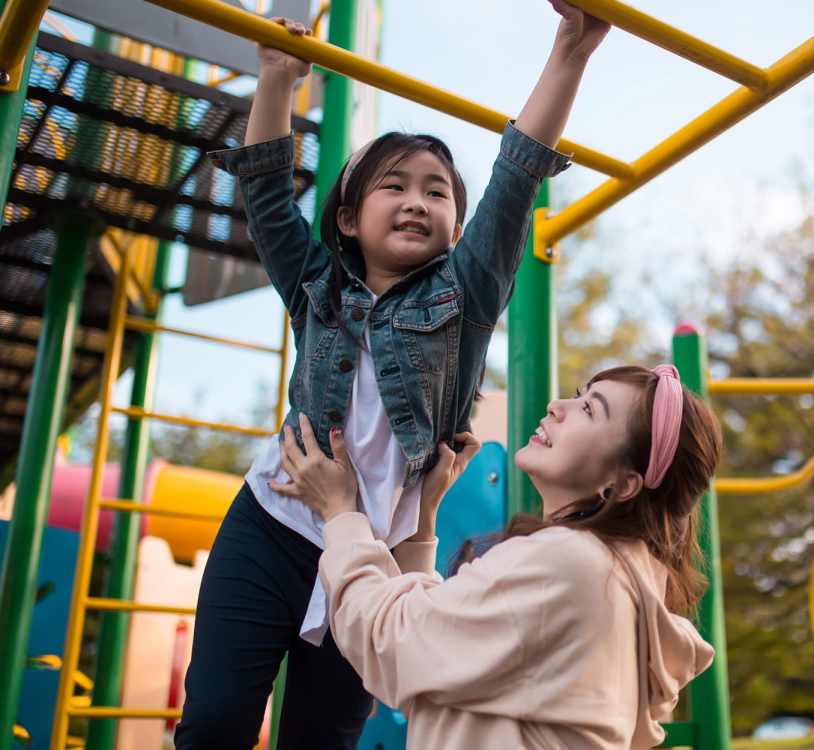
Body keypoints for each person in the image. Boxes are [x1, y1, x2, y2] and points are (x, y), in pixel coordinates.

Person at [175, 3, 609, 746]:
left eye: (437, 191)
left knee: (322, 737)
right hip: (272, 523)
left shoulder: (465, 295)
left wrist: (572, 46)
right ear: (347, 219)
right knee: (215, 720)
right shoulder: (315, 283)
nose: (416, 200)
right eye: (394, 186)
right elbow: (269, 197)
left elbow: (515, 177)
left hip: (374, 554)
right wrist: (277, 77)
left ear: (455, 225)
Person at [279, 365, 723, 748]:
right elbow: (437, 667)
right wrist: (423, 525)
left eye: (590, 410)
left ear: (621, 485)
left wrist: (340, 512)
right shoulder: (618, 575)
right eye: (577, 395)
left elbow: (391, 644)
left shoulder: (572, 565)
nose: (557, 406)